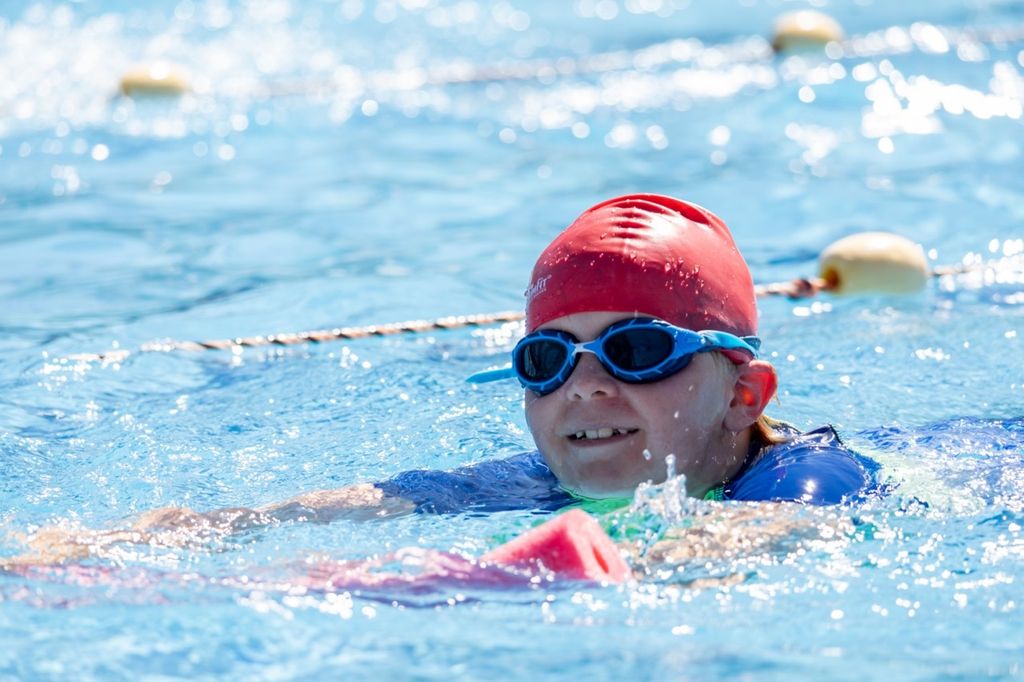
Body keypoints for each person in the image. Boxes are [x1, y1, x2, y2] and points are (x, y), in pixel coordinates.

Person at [8, 194, 879, 566]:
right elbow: (323, 509)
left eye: (638, 349)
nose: (584, 386)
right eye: (548, 359)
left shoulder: (810, 478)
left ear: (746, 395)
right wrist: (103, 546)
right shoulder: (536, 485)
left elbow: (727, 550)